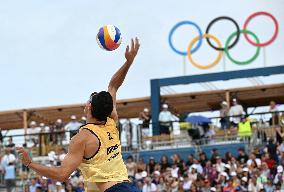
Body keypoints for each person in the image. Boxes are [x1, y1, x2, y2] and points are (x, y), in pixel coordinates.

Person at [17, 38, 140, 192]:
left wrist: (30, 164)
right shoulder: (111, 121)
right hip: (128, 187)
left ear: (88, 106)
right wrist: (129, 62)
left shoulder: (82, 138)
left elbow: (62, 175)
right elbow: (113, 86)